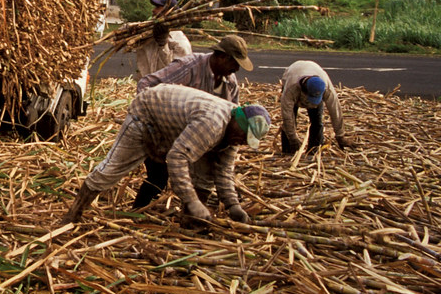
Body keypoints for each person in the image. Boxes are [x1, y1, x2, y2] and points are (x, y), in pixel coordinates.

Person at [61, 84, 270, 226]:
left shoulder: (232, 136)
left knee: (205, 177)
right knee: (112, 168)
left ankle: (190, 222)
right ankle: (73, 214)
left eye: (246, 141)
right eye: (243, 137)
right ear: (238, 124)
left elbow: (223, 172)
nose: (242, 143)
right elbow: (177, 157)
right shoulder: (212, 124)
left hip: (170, 126)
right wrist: (192, 200)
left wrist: (233, 205)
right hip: (146, 115)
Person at [130, 34, 252, 209]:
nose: (237, 69)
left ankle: (191, 215)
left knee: (207, 180)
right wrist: (149, 121)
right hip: (167, 128)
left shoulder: (230, 83)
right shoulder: (189, 66)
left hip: (200, 135)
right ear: (222, 57)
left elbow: (234, 116)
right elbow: (147, 83)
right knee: (158, 176)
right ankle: (138, 212)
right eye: (235, 63)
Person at [279, 60, 352, 154]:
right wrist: (292, 138)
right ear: (305, 89)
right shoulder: (291, 89)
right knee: (290, 121)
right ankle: (288, 151)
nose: (312, 104)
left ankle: (314, 151)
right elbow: (287, 115)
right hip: (294, 72)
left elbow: (335, 110)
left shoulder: (325, 87)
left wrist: (340, 136)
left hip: (313, 71)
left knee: (317, 121)